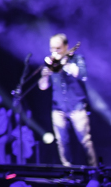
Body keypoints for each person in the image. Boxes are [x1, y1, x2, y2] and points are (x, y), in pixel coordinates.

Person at [39, 35, 98, 166]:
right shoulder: (50, 63)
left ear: (66, 46)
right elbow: (43, 87)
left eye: (58, 48)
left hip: (77, 106)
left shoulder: (77, 59)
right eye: (52, 48)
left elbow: (82, 75)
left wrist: (65, 63)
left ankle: (94, 169)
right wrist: (45, 76)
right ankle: (67, 170)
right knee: (61, 141)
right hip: (58, 108)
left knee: (85, 141)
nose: (54, 52)